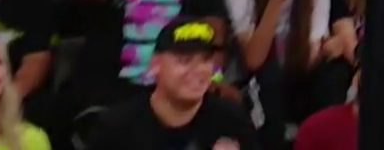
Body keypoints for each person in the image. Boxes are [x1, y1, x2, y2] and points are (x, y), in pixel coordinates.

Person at [87, 18, 260, 150]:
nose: (198, 70)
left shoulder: (232, 121)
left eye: (205, 60)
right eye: (184, 61)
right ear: (155, 65)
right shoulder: (117, 128)